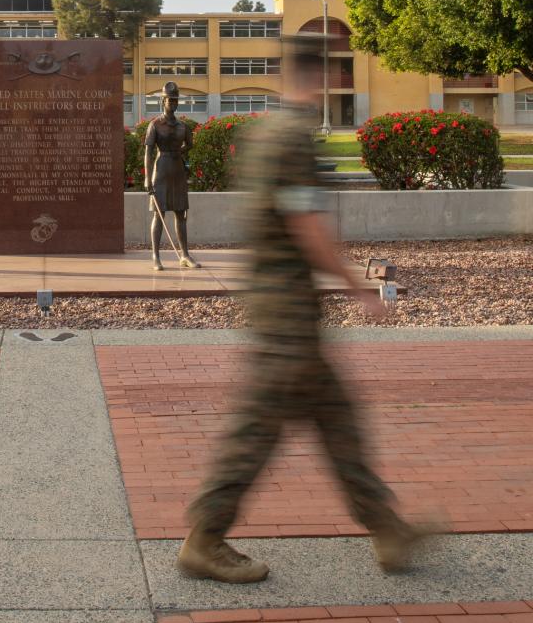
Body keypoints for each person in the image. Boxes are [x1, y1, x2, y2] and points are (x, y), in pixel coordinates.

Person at [177, 34, 428, 584]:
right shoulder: (293, 140)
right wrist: (357, 286)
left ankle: (388, 528)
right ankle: (205, 536)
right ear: (325, 77)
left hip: (284, 310)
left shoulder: (265, 133)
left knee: (340, 424)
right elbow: (305, 224)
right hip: (286, 318)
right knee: (256, 429)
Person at [144, 81, 200, 271]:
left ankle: (184, 255)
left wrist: (179, 152)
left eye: (176, 100)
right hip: (160, 171)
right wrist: (147, 178)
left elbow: (190, 144)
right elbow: (148, 153)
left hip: (178, 170)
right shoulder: (155, 125)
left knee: (181, 214)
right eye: (170, 100)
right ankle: (155, 256)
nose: (173, 103)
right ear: (163, 101)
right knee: (159, 215)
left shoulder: (183, 126)